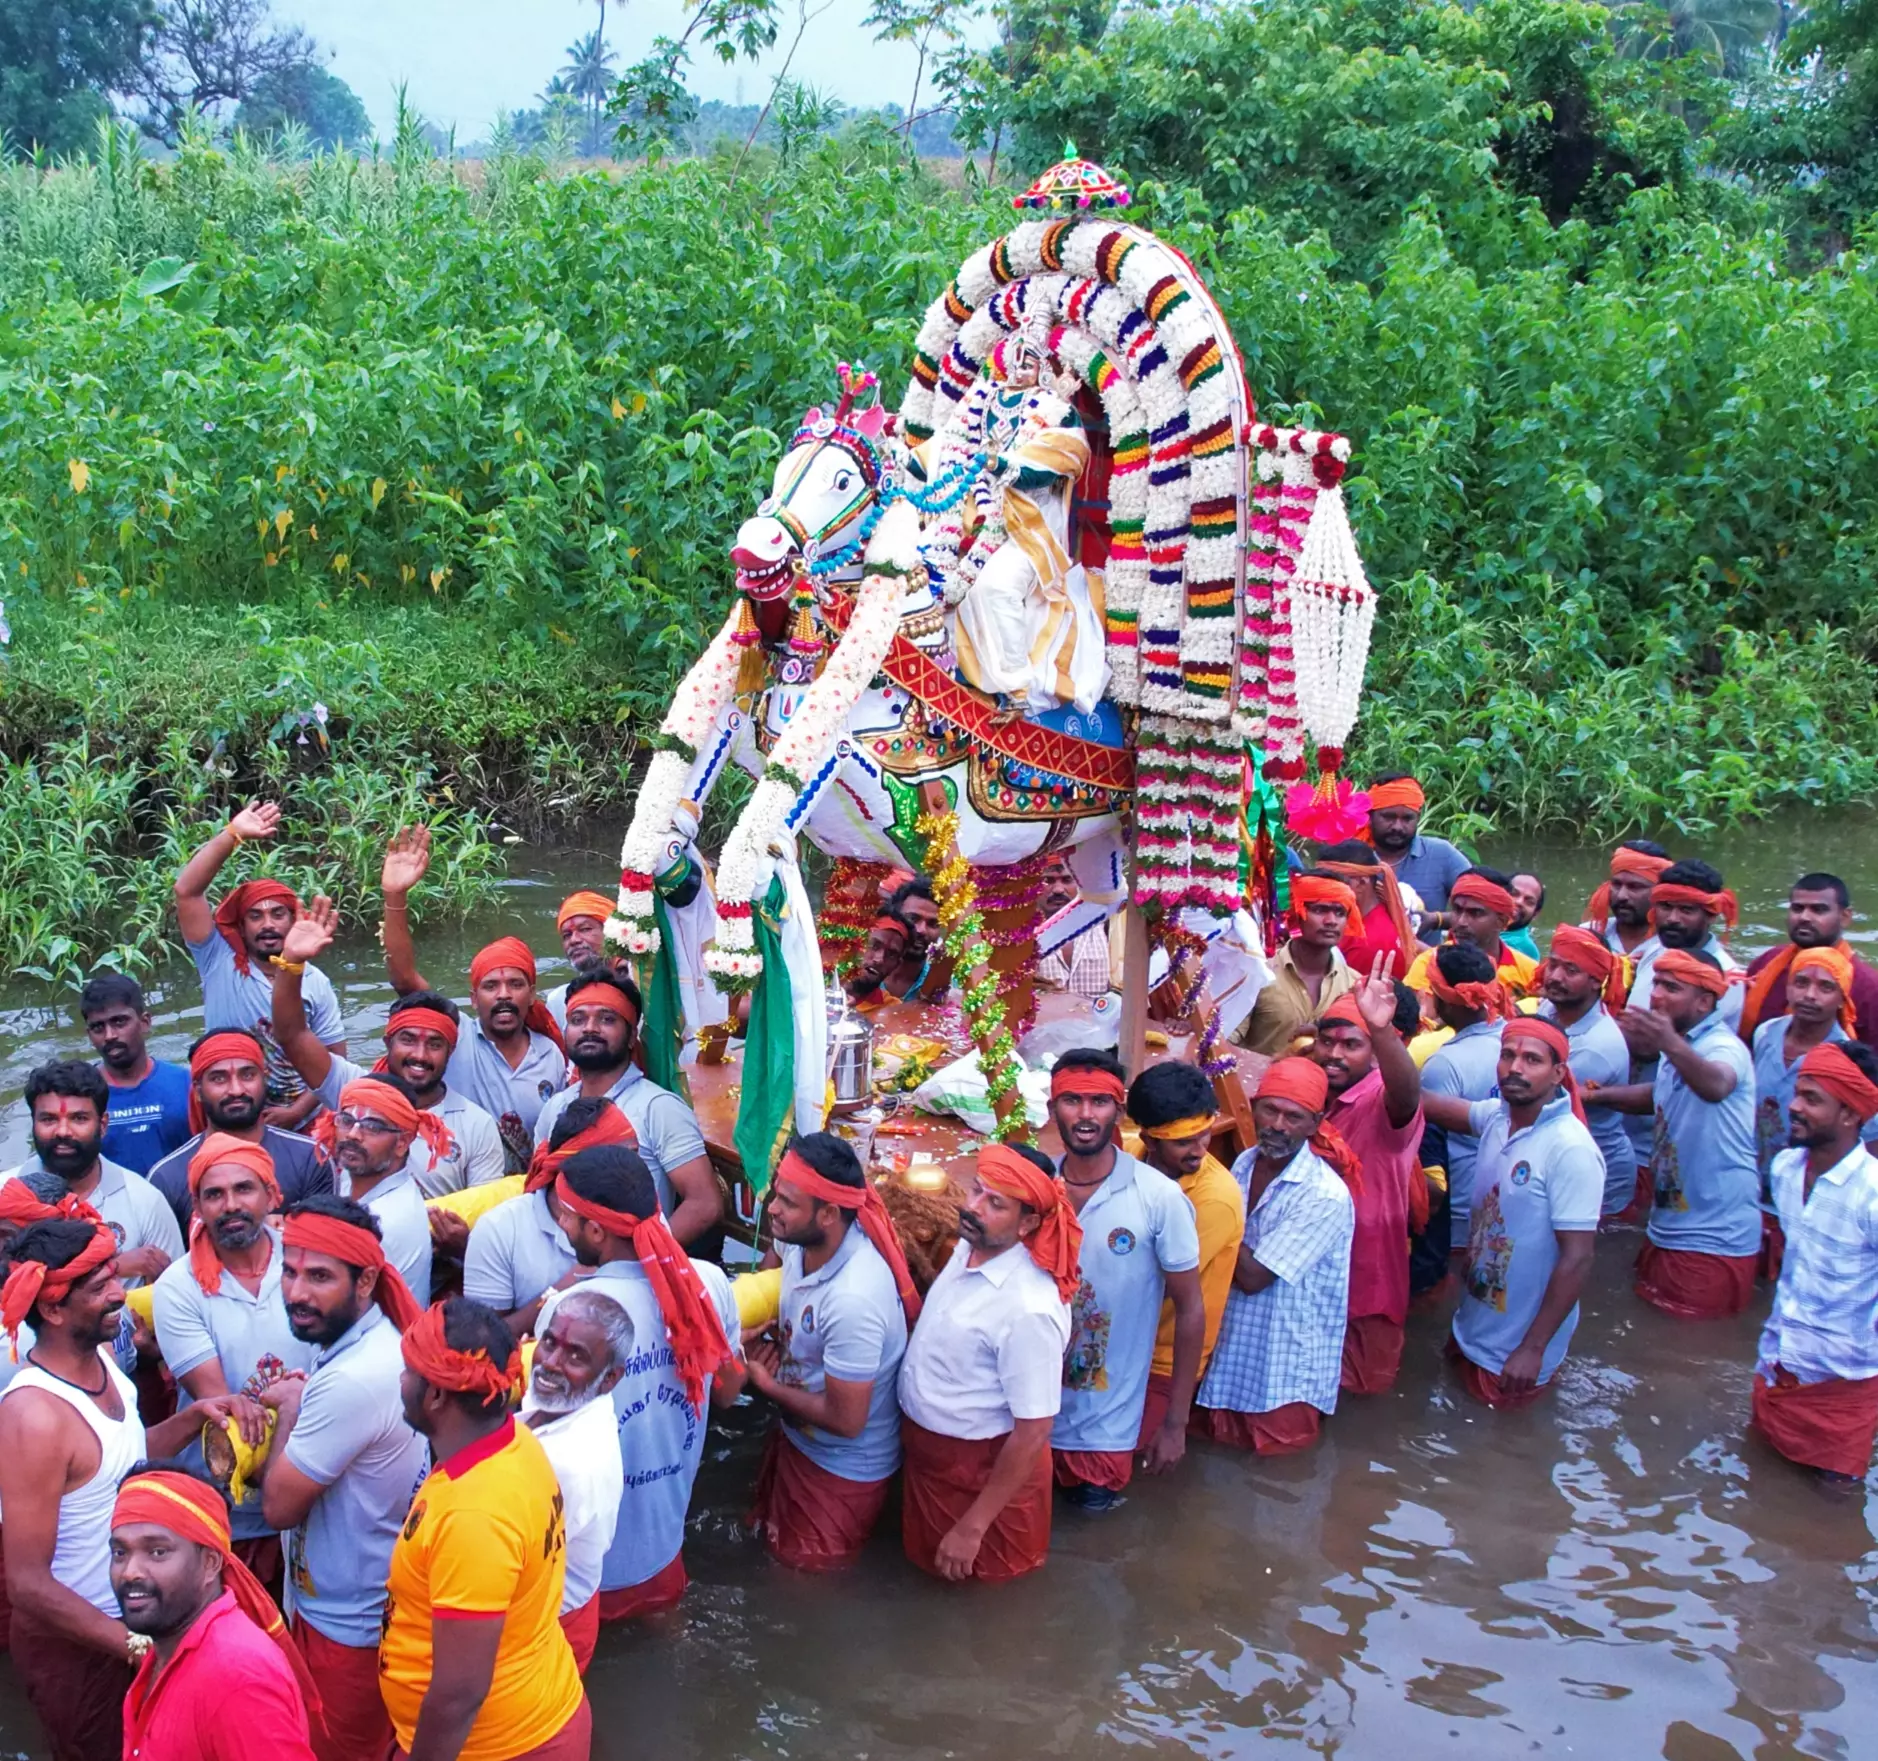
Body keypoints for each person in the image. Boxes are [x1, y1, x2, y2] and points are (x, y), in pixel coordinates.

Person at [0, 1217, 254, 1761]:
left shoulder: (106, 1363)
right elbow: (25, 1585)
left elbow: (121, 1462)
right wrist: (138, 1648)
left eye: (115, 1276)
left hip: (133, 1623)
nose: (121, 1294)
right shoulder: (33, 1417)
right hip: (81, 1648)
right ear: (51, 1309)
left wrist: (193, 1418)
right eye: (100, 1288)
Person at [542, 1145, 742, 1622]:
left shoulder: (572, 1311)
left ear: (595, 1230)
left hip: (585, 1580)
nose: (561, 1226)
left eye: (566, 1216)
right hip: (665, 1554)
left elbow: (545, 1451)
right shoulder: (708, 1284)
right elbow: (730, 1392)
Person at [258, 1195, 427, 1761]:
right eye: (290, 1271)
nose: (297, 1292)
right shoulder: (369, 1347)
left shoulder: (353, 1378)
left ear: (366, 1280)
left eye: (320, 1277)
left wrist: (288, 1408)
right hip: (358, 1607)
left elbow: (279, 1508)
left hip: (348, 1628)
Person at [382, 1299, 588, 1761]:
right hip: (524, 1712)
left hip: (501, 1747)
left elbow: (460, 1693)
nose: (400, 1380)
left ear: (435, 1395)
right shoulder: (514, 1441)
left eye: (408, 1370)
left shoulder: (474, 1518)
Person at [897, 1145, 1076, 1583]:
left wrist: (974, 1526)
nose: (973, 1208)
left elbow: (1034, 1430)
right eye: (977, 1190)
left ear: (1029, 1223)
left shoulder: (1030, 1308)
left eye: (995, 1203)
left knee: (987, 1600)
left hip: (982, 1476)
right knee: (928, 1583)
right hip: (933, 1461)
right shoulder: (974, 1244)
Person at [745, 1133, 920, 1570]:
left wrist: (766, 1385)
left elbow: (847, 1421)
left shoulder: (853, 1300)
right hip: (798, 1433)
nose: (772, 1209)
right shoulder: (796, 1239)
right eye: (776, 1193)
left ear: (828, 1215)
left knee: (803, 1587)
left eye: (787, 1202)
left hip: (842, 1468)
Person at [150, 1136, 316, 1576]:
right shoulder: (178, 1288)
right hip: (231, 1507)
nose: (230, 1205)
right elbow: (226, 1412)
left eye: (244, 1189)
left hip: (319, 1485)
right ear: (198, 1208)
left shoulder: (307, 1263)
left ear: (272, 1195)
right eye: (214, 1195)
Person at [1048, 1051, 1203, 1507]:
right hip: (1025, 1418)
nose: (1085, 1114)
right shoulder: (1038, 1189)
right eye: (1072, 1100)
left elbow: (1191, 1310)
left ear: (1119, 1110)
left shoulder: (1159, 1199)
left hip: (1103, 1432)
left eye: (1099, 1102)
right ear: (1051, 1108)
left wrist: (1175, 1423)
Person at [271, 897, 505, 1200]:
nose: (419, 1056)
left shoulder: (476, 1123)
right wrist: (291, 963)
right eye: (408, 1040)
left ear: (451, 1051)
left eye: (434, 1044)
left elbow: (483, 1214)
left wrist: (455, 1238)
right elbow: (291, 1034)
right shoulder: (354, 1089)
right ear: (387, 1043)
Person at [1421, 1019, 1602, 1407]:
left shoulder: (1571, 1149)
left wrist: (1532, 1349)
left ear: (1558, 1074)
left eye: (1531, 1059)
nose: (1515, 1068)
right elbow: (1423, 1103)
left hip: (1513, 1355)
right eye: (1508, 1055)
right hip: (1471, 1327)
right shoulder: (1497, 1119)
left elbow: (1579, 1258)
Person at [1191, 1058, 1358, 1453]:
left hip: (1282, 1378)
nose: (1279, 1125)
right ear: (1253, 1106)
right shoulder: (1246, 1163)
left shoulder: (1323, 1195)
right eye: (1271, 1110)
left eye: (1293, 1117)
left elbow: (1253, 1278)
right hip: (1229, 1360)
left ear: (1316, 1123)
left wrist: (1199, 1216)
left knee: (1275, 1490)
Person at [380, 827, 569, 1168]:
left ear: (532, 995)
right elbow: (404, 978)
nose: (504, 995)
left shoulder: (552, 1054)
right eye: (490, 986)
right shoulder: (454, 1038)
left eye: (515, 984)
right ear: (472, 998)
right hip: (459, 1186)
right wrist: (395, 897)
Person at [109, 1464, 320, 1761]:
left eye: (157, 1552)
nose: (129, 1572)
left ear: (210, 1563)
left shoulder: (237, 1677)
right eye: (120, 1552)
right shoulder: (170, 1640)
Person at [1598, 950, 1760, 1319]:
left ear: (1705, 1002)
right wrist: (1592, 1096)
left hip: (1713, 1240)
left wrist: (1668, 1042)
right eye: (1655, 983)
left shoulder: (1722, 1047)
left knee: (1684, 1360)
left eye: (1672, 987)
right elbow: (1657, 1094)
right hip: (1670, 1226)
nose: (1656, 995)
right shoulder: (1686, 1045)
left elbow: (1716, 1085)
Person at [172, 801, 346, 1130]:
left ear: (294, 920)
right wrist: (232, 834)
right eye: (256, 915)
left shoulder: (315, 982)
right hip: (229, 1114)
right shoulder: (218, 961)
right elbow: (186, 892)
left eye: (277, 914)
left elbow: (336, 1059)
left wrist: (298, 1111)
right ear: (241, 926)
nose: (267, 924)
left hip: (301, 1120)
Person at [1752, 1043, 1878, 1484]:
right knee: (1761, 1489)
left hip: (1842, 1393)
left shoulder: (1872, 1193)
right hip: (1775, 1366)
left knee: (1829, 1522)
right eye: (1797, 1094)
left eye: (1811, 1099)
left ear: (1850, 1115)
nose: (1794, 1107)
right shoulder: (1785, 1169)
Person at [531, 964, 723, 1245]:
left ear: (632, 1036)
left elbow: (705, 1205)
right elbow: (538, 1188)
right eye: (578, 1019)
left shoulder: (658, 1108)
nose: (590, 1029)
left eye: (607, 1019)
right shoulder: (556, 1107)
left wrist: (638, 1261)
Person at [1310, 963, 1423, 1395]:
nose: (1335, 1053)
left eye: (1351, 1045)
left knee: (1361, 1397)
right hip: (1315, 1273)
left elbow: (1407, 1090)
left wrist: (1382, 1031)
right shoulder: (1314, 1094)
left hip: (1367, 1278)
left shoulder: (1382, 1100)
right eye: (1327, 1041)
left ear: (1374, 1052)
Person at [1124, 1062, 1247, 1443]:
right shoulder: (1130, 1154)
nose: (1198, 1150)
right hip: (1118, 1338)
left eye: (1205, 1135)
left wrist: (1175, 1425)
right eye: (1183, 1142)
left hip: (1164, 1356)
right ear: (1151, 1138)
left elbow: (1157, 1285)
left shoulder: (1216, 1199)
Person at [519, 1291, 627, 1673]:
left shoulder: (568, 1462)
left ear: (610, 1378)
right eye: (549, 1343)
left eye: (576, 1356)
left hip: (548, 1626)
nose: (550, 1363)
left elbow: (508, 1565)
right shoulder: (562, 1405)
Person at [5, 1061, 183, 1284]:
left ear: (103, 1125)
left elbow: (177, 1297)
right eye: (48, 1119)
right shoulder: (4, 1194)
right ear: (32, 1124)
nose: (62, 1131)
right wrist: (112, 1268)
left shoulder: (144, 1201)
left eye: (79, 1118)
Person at [464, 1098, 632, 1334]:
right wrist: (567, 1286)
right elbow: (483, 1342)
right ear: (576, 1167)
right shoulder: (498, 1230)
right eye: (623, 1160)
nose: (635, 1170)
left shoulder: (638, 1217)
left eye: (636, 1156)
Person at [148, 1032, 333, 1235]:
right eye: (219, 1079)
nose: (236, 1090)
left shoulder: (311, 1158)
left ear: (265, 1080)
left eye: (247, 1075)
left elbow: (323, 1246)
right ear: (198, 1091)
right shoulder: (167, 1176)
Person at [308, 1072, 441, 1299]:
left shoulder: (385, 1220)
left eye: (373, 1127)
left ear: (402, 1143)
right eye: (347, 1121)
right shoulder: (357, 1172)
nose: (353, 1135)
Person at [1537, 926, 1637, 1219]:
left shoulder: (1596, 1045)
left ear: (1596, 981)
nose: (1554, 977)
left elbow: (1535, 1103)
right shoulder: (1549, 1007)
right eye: (1553, 964)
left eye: (1570, 970)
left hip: (1597, 1166)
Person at [1751, 945, 1858, 1218]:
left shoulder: (1847, 1058)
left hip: (1805, 1198)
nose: (1810, 995)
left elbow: (1866, 1139)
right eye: (1801, 982)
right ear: (1788, 988)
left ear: (1841, 1000)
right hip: (1751, 1185)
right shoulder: (1766, 1033)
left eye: (1825, 987)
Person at [1417, 944, 1512, 1252]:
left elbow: (1427, 1144)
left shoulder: (1444, 1064)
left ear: (1445, 1001)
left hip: (1461, 1205)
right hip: (1510, 1193)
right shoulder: (1520, 1042)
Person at [1740, 873, 1878, 1047]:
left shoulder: (1869, 987)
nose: (1804, 917)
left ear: (1845, 917)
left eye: (1818, 910)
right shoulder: (1766, 963)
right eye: (1797, 908)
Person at [81, 975, 191, 1178]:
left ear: (145, 1022)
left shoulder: (186, 1084)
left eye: (119, 1022)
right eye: (98, 1027)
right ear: (89, 1034)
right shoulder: (80, 1096)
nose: (109, 1035)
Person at [1239, 875, 1358, 1057]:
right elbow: (1222, 1042)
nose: (1331, 920)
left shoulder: (1356, 985)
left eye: (1340, 912)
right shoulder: (1256, 973)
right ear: (1295, 914)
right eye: (1320, 910)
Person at [1362, 774, 1470, 944]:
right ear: (1370, 817)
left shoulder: (1441, 854)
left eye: (1407, 818)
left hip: (1423, 966)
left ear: (1417, 818)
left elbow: (1484, 908)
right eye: (1388, 817)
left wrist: (1436, 920)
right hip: (1356, 965)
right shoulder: (1351, 857)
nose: (1397, 826)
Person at [1405, 869, 1540, 1000]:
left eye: (1475, 913)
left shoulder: (1530, 973)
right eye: (1457, 910)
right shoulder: (1428, 964)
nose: (1461, 922)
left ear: (1501, 921)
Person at [1312, 842, 1418, 980]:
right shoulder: (1373, 918)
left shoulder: (1366, 944)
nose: (1323, 891)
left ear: (1361, 883)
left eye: (1332, 884)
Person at [1580, 840, 1673, 962]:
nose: (1621, 896)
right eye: (1617, 884)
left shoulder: (1674, 945)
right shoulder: (1586, 936)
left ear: (1660, 893)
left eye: (1634, 887)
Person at [1036, 860, 1111, 1000]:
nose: (1058, 889)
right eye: (1048, 880)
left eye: (1067, 879)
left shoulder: (1107, 924)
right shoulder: (1019, 934)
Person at [542, 890, 615, 1029]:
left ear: (613, 933)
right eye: (566, 935)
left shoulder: (644, 989)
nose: (574, 940)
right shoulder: (558, 1001)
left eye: (585, 929)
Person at [879, 877, 951, 1003]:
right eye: (913, 918)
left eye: (933, 924)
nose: (921, 930)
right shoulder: (857, 972)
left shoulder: (946, 986)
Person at [844, 913, 912, 1014]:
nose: (879, 959)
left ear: (896, 965)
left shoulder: (892, 1010)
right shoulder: (817, 985)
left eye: (891, 954)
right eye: (874, 945)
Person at [1504, 872, 1545, 962]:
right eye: (1514, 893)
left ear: (1535, 913)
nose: (1519, 902)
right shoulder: (1476, 923)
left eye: (1529, 901)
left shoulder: (1527, 952)